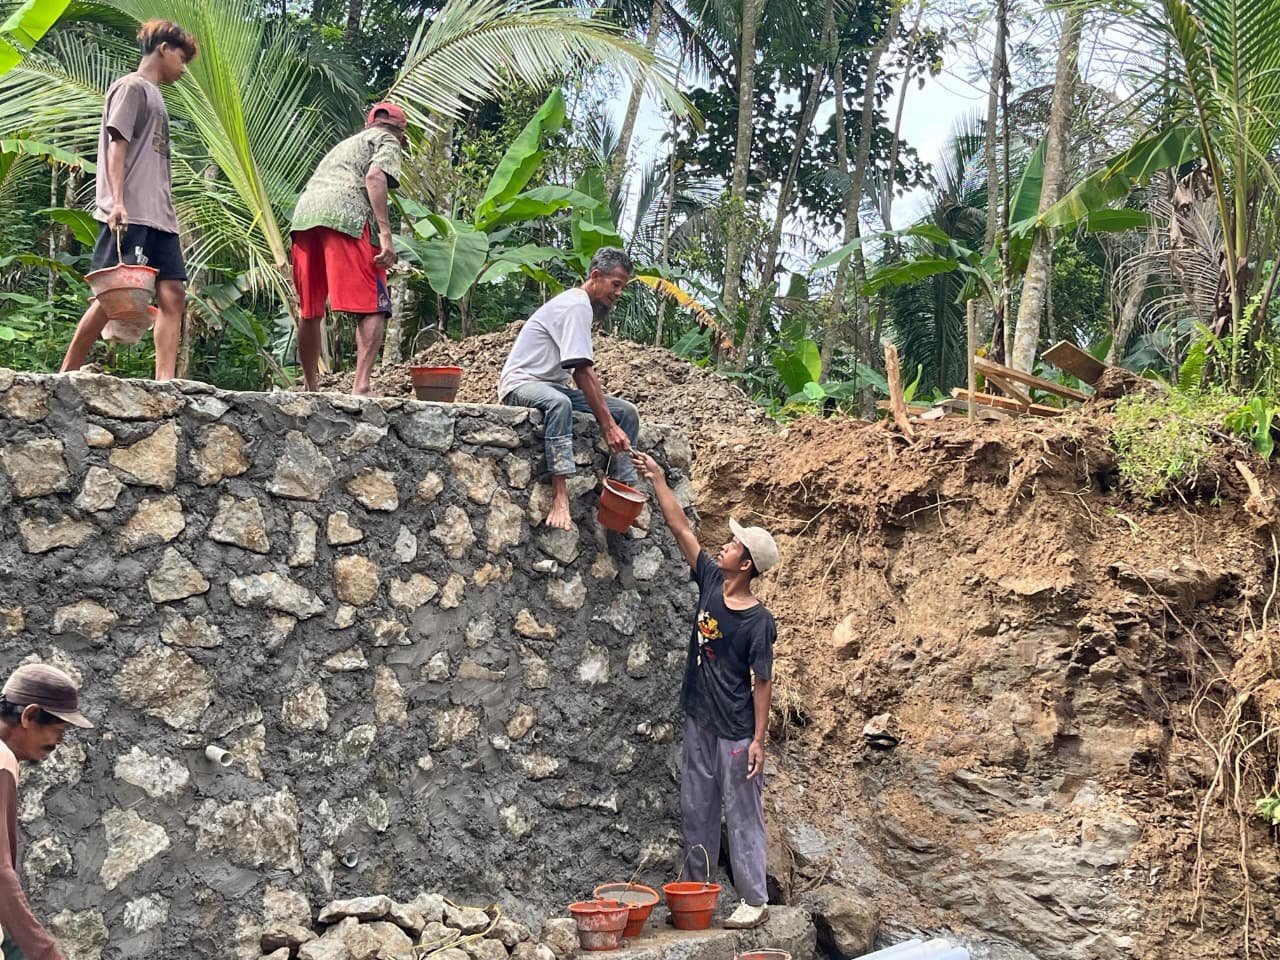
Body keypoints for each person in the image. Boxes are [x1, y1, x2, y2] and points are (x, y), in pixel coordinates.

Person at [630, 451, 779, 930]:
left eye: (734, 545)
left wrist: (758, 739)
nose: (725, 546)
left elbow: (763, 683)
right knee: (696, 809)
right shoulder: (711, 580)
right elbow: (680, 529)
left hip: (736, 732)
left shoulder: (759, 622)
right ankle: (699, 891)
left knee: (742, 815)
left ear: (747, 563)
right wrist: (656, 478)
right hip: (699, 718)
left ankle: (754, 899)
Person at [59, 19, 198, 382]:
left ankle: (166, 382)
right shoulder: (131, 87)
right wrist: (117, 201)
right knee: (114, 295)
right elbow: (116, 147)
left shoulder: (157, 97)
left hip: (161, 218)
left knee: (174, 293)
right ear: (164, 49)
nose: (183, 70)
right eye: (182, 59)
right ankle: (65, 372)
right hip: (131, 211)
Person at [498, 247, 640, 529]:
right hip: (521, 385)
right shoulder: (576, 305)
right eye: (616, 285)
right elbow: (582, 370)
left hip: (553, 386)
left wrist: (613, 420)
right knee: (559, 405)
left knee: (627, 412)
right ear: (596, 276)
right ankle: (560, 497)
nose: (619, 293)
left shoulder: (583, 308)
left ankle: (622, 492)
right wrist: (608, 426)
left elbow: (580, 374)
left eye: (623, 287)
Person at [291, 102, 407, 396]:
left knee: (310, 310)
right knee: (373, 304)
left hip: (305, 218)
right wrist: (385, 235)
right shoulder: (387, 140)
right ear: (401, 132)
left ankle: (310, 386)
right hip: (347, 217)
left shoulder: (346, 145)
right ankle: (362, 386)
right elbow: (374, 177)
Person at [0, 664, 94, 960]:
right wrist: (46, 954)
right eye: (58, 730)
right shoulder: (2, 760)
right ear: (29, 716)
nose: (59, 742)